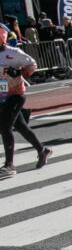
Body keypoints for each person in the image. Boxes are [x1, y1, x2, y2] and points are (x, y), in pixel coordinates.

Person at [0, 28, 51, 178]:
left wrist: (21, 72)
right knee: (21, 127)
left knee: (4, 127)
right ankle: (42, 150)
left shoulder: (13, 53)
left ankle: (9, 164)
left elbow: (32, 64)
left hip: (15, 95)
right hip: (1, 95)